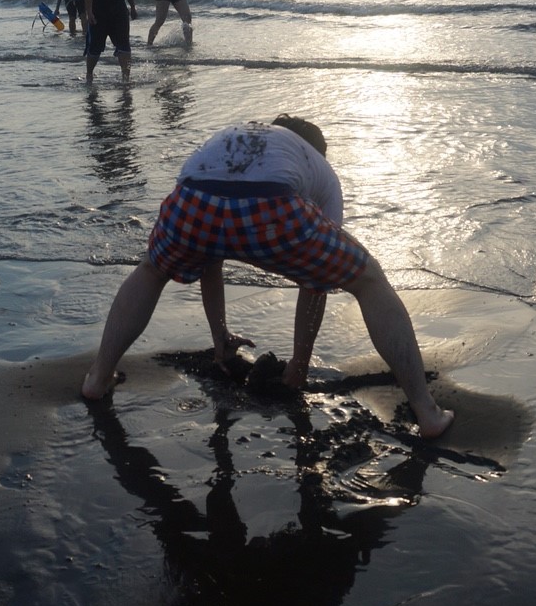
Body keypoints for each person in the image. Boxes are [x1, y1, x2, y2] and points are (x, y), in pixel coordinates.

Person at [80, 116, 455, 438]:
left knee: (152, 270)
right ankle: (427, 412)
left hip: (192, 197)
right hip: (270, 203)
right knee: (369, 280)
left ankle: (98, 378)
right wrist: (299, 367)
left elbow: (211, 258)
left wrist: (220, 338)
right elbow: (316, 279)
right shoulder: (319, 169)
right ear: (316, 151)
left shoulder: (237, 138)